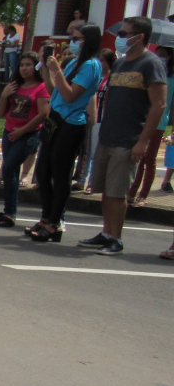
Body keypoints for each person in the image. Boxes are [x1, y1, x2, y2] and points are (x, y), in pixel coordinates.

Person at [78, 17, 166, 255]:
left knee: (118, 191)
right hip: (108, 135)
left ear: (140, 37)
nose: (121, 37)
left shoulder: (151, 64)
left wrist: (142, 141)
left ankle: (115, 239)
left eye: (126, 33)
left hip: (129, 138)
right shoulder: (119, 64)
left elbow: (158, 105)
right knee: (106, 189)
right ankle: (106, 232)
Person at [23, 24, 103, 242]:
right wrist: (48, 71)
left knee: (60, 175)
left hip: (71, 124)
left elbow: (70, 96)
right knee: (42, 171)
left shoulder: (91, 65)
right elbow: (54, 90)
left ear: (89, 40)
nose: (72, 42)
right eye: (71, 38)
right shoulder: (73, 63)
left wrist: (57, 70)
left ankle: (54, 223)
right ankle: (46, 217)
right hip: (55, 121)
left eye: (77, 38)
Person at [0, 51, 50, 228]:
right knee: (11, 172)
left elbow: (44, 114)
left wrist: (22, 131)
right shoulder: (14, 86)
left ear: (35, 67)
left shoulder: (41, 87)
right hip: (8, 132)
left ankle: (10, 211)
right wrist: (3, 95)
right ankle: (9, 210)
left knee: (8, 168)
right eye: (22, 65)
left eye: (28, 65)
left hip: (28, 135)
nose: (24, 68)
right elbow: (0, 112)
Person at [126, 45, 174, 207]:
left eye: (162, 55)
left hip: (159, 121)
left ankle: (143, 195)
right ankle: (131, 193)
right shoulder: (151, 73)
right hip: (143, 118)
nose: (158, 57)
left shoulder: (171, 77)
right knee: (138, 157)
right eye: (157, 54)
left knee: (150, 159)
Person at [74, 49, 116, 193]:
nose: (99, 63)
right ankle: (81, 180)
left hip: (102, 119)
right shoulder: (94, 76)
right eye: (98, 59)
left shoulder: (112, 78)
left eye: (103, 60)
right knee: (86, 150)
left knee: (95, 151)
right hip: (88, 116)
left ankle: (92, 182)